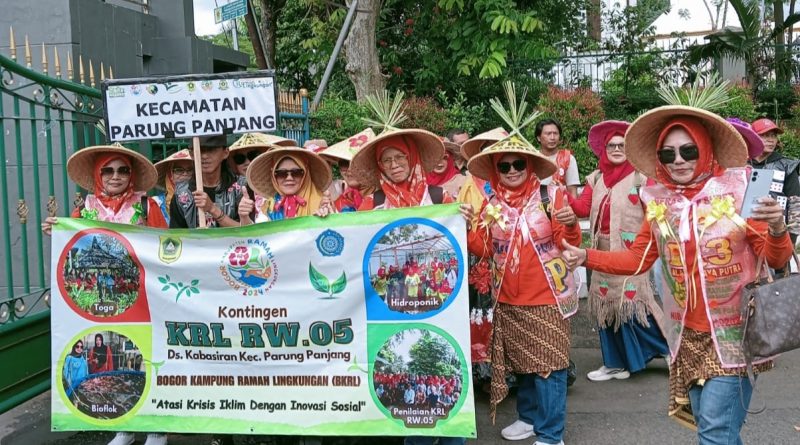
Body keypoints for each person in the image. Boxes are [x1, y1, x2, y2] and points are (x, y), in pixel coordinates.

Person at [561, 104, 792, 444]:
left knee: (714, 431)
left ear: (706, 148)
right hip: (686, 336)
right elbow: (638, 259)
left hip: (735, 332)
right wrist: (585, 256)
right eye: (668, 154)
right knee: (714, 427)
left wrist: (775, 228)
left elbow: (777, 257)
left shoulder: (740, 191)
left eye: (689, 150)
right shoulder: (660, 204)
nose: (679, 160)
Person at [461, 105, 581, 445]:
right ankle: (529, 417)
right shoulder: (492, 203)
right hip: (508, 296)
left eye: (517, 164)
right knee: (523, 362)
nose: (511, 170)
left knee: (550, 364)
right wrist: (465, 225)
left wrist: (571, 226)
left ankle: (551, 433)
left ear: (528, 166)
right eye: (504, 166)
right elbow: (484, 249)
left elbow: (567, 243)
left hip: (547, 296)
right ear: (496, 171)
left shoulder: (549, 195)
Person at [568, 120, 669, 381]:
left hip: (632, 251)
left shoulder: (642, 177)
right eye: (611, 145)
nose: (616, 149)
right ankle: (615, 363)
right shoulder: (597, 178)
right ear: (604, 149)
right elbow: (581, 208)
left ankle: (669, 348)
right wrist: (558, 191)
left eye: (622, 145)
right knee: (606, 306)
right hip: (600, 252)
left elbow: (656, 213)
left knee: (633, 305)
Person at [42, 144, 167, 234]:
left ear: (131, 174)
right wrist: (57, 231)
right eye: (107, 171)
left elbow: (163, 244)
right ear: (98, 174)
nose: (115, 177)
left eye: (123, 171)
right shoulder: (84, 210)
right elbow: (72, 243)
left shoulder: (147, 206)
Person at [240, 145, 334, 223]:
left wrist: (327, 219)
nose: (289, 178)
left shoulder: (323, 203)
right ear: (274, 177)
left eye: (296, 172)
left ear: (305, 175)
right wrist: (244, 217)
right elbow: (257, 237)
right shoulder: (270, 206)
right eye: (281, 173)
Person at [169, 135, 245, 228]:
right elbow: (178, 237)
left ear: (225, 153)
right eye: (200, 150)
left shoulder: (241, 188)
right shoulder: (181, 194)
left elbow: (251, 234)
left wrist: (212, 209)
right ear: (192, 154)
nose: (204, 156)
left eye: (211, 150)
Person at [750, 117, 800, 243]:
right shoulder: (741, 165)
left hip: (777, 234)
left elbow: (796, 204)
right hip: (744, 233)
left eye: (773, 135)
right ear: (752, 137)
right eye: (764, 135)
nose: (771, 140)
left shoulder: (787, 166)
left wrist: (791, 239)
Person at [318, 128, 377, 212]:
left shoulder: (388, 198)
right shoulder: (345, 199)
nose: (349, 169)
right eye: (344, 163)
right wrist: (330, 215)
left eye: (356, 163)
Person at [535, 118, 580, 198]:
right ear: (538, 138)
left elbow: (572, 191)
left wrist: (571, 210)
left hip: (560, 207)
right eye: (548, 134)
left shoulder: (568, 158)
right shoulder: (532, 158)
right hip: (534, 207)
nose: (552, 137)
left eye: (555, 133)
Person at [153, 149, 193, 224]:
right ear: (170, 174)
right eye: (179, 170)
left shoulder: (204, 201)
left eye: (190, 170)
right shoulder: (155, 204)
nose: (185, 174)